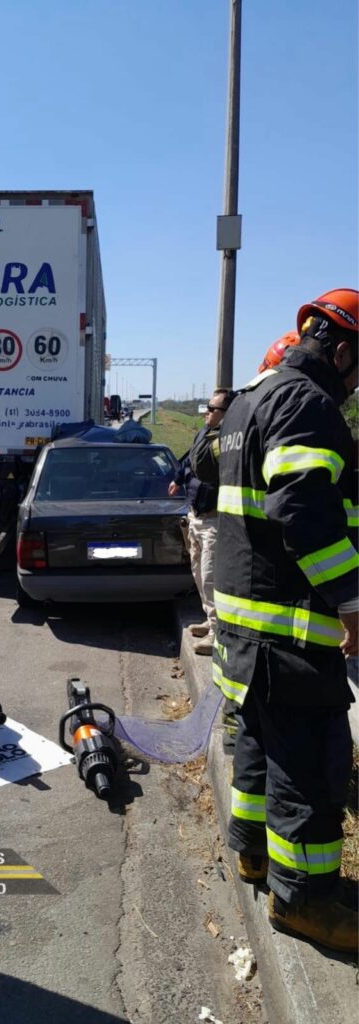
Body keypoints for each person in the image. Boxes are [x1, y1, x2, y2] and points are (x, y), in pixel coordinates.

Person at [212, 288, 359, 953]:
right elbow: (303, 512)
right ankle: (303, 903)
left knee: (255, 752)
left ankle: (250, 855)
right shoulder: (309, 404)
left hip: (246, 631)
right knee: (307, 771)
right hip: (290, 635)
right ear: (346, 351)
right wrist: (354, 602)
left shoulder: (249, 401)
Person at [168, 389, 235, 654]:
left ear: (226, 414)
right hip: (196, 515)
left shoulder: (228, 440)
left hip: (215, 518)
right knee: (198, 571)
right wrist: (177, 478)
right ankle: (210, 621)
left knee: (210, 576)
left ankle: (219, 634)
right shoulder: (204, 433)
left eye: (212, 408)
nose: (206, 411)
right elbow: (188, 459)